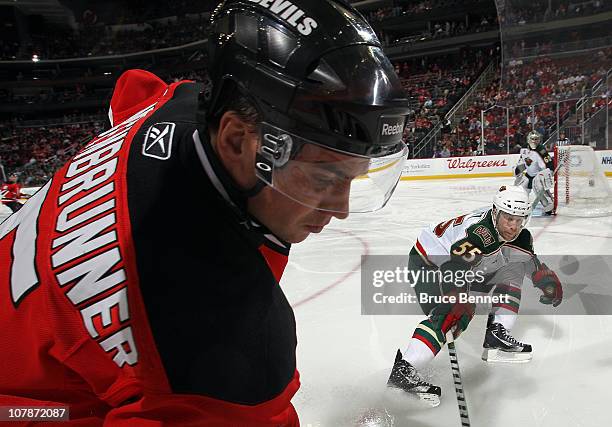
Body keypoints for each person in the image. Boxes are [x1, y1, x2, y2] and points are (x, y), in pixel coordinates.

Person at [0, 1, 410, 425]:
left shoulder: (179, 106)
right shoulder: (225, 351)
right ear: (237, 140)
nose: (339, 210)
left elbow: (133, 89)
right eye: (324, 178)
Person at [386, 186, 563, 406]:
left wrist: (546, 280)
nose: (514, 226)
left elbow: (527, 260)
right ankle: (404, 371)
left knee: (512, 269)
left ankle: (497, 333)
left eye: (520, 220)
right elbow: (454, 265)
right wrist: (456, 297)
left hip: (464, 265)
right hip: (428, 262)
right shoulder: (481, 233)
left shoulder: (519, 236)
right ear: (496, 212)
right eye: (509, 218)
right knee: (452, 314)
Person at [514, 130, 555, 215]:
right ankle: (521, 205)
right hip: (529, 174)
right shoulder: (524, 148)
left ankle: (548, 205)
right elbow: (524, 160)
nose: (534, 141)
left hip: (539, 175)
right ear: (528, 139)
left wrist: (548, 173)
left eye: (536, 139)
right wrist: (518, 170)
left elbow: (549, 163)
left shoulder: (541, 150)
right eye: (533, 139)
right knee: (520, 187)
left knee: (539, 188)